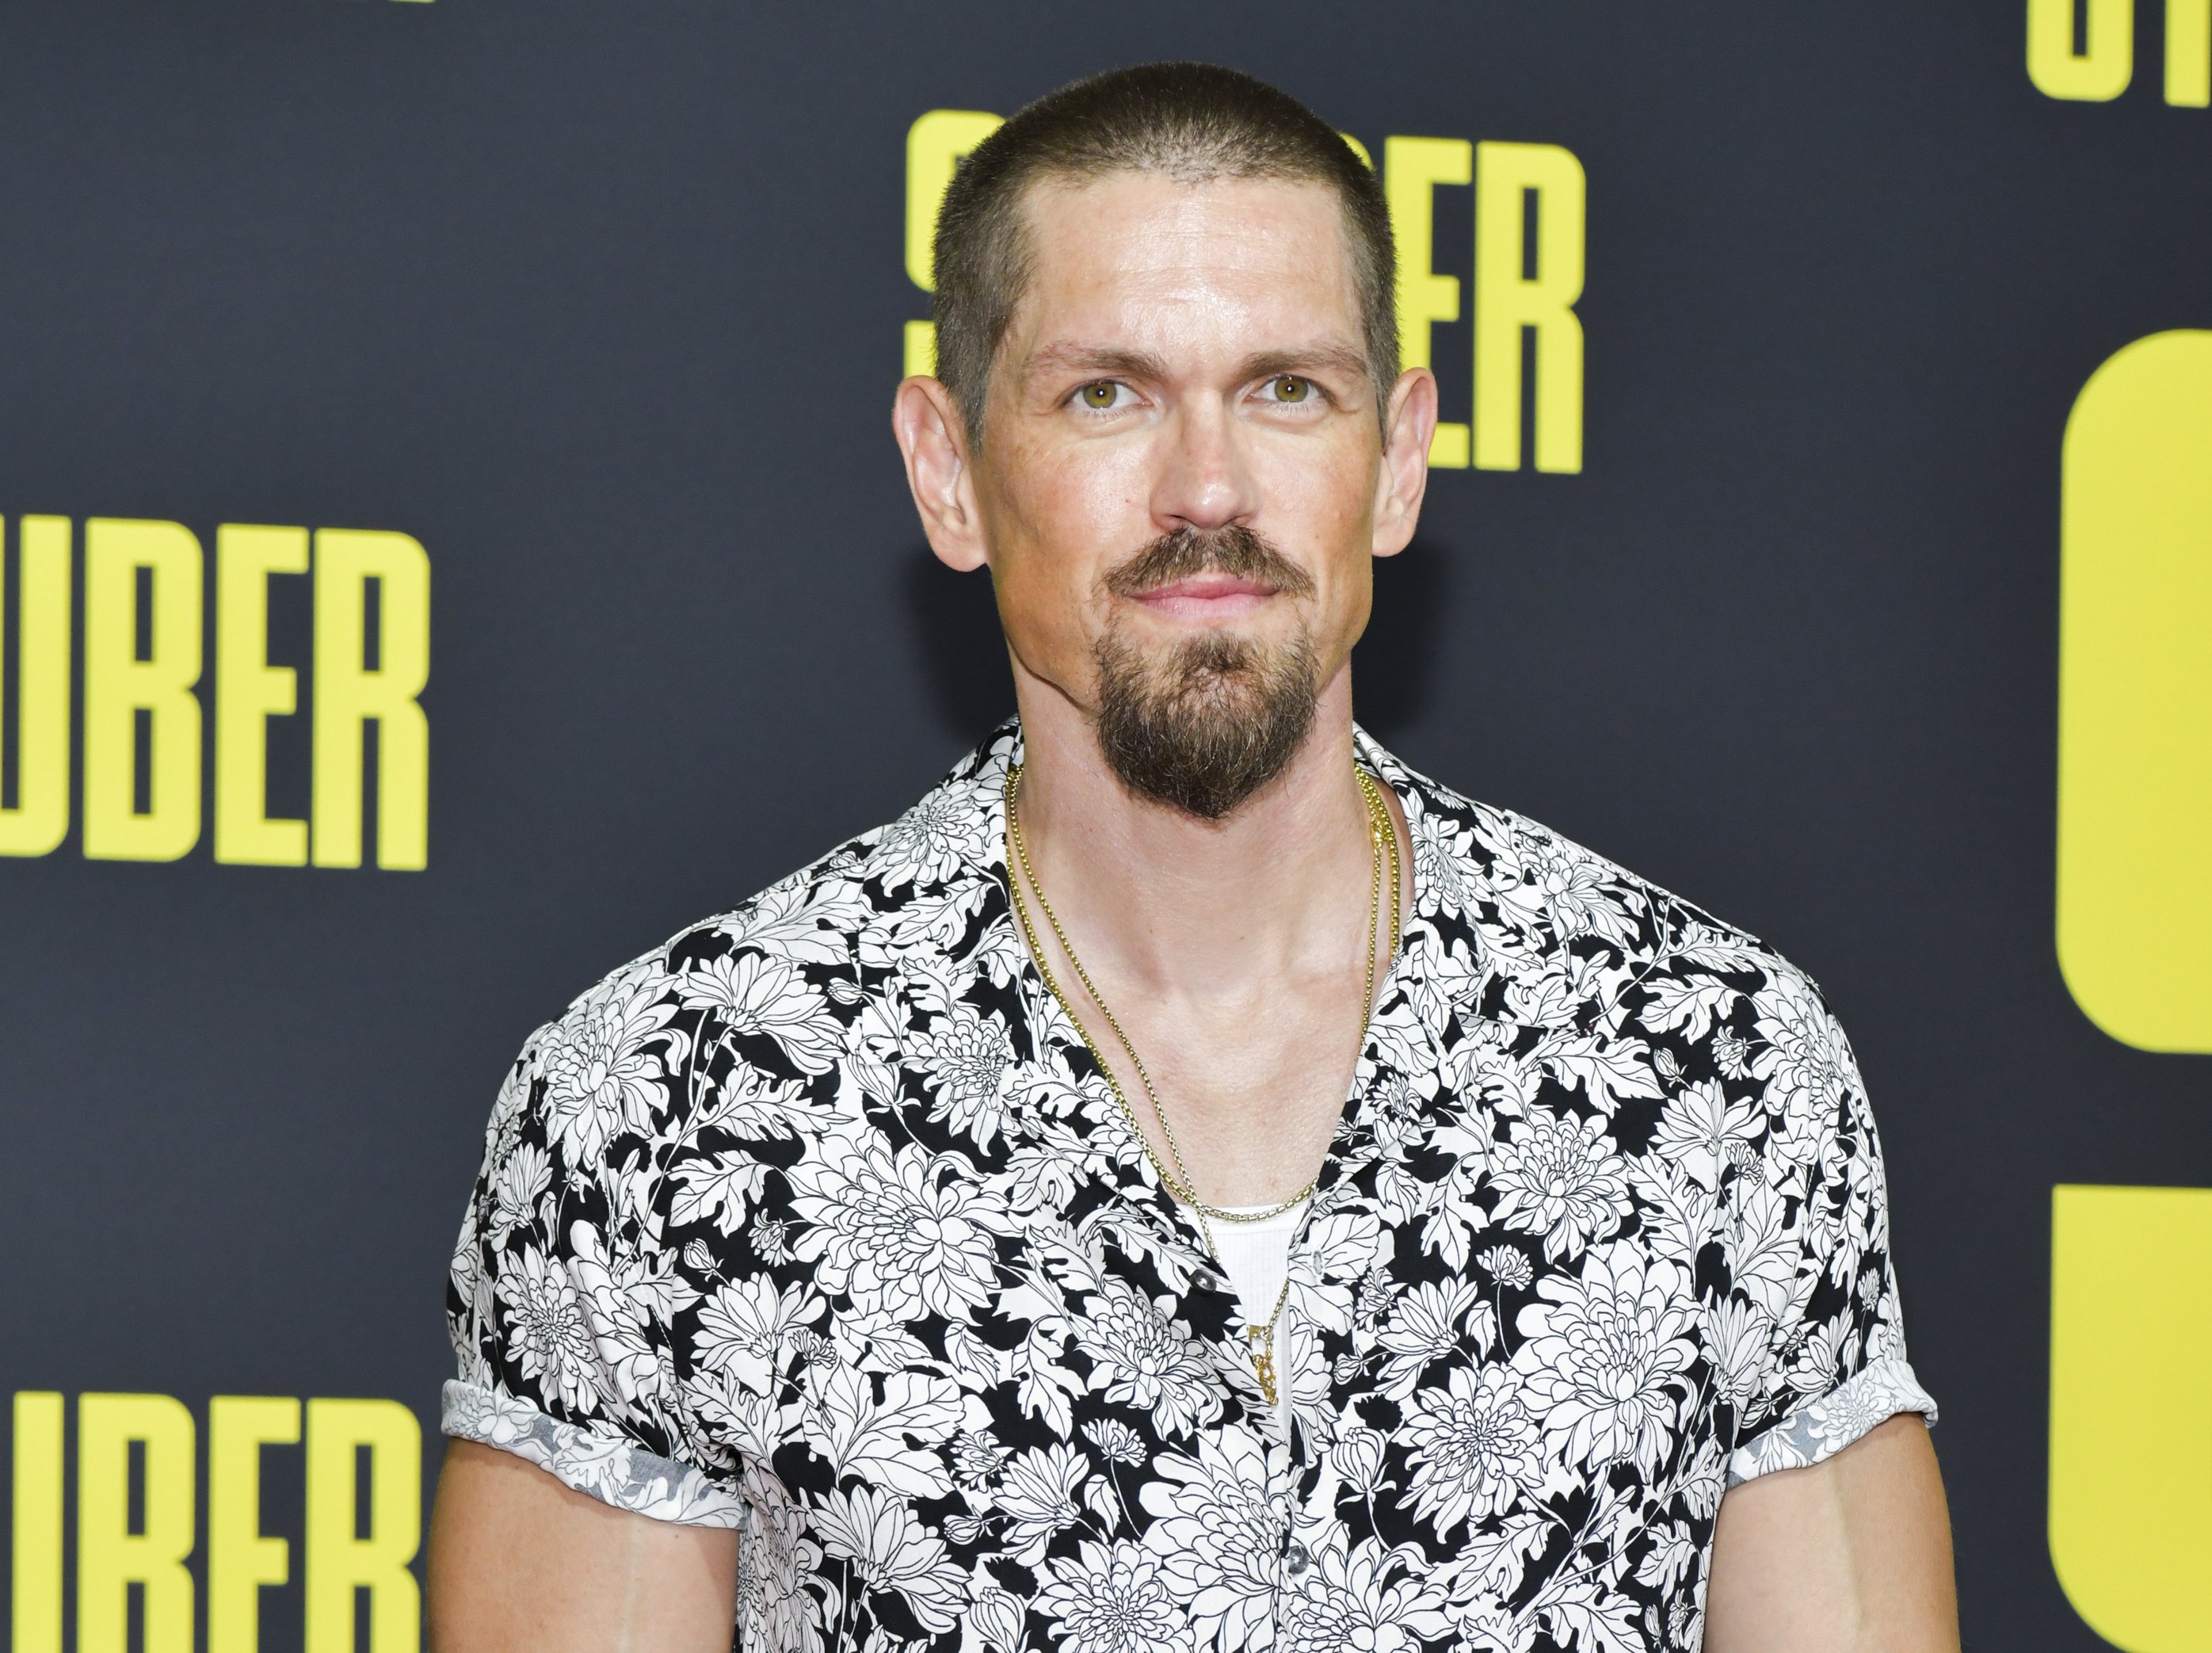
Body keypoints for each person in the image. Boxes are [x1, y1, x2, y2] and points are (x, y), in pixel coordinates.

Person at [425, 60, 1957, 1652]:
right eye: (1109, 393)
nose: (1207, 488)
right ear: (949, 469)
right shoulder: (673, 1103)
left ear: (1402, 453)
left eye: (1287, 387)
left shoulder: (1715, 1065)